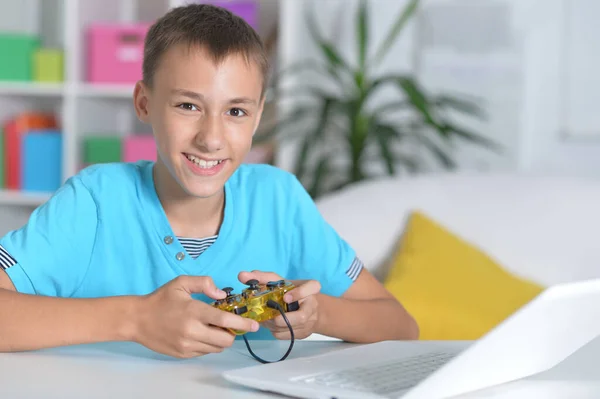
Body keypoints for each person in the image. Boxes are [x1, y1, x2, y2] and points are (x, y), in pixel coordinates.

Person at [0, 4, 418, 358]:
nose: (211, 137)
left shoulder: (279, 200)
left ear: (257, 116)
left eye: (236, 112)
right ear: (144, 104)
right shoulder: (94, 201)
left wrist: (316, 313)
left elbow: (401, 325)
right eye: (188, 105)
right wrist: (135, 319)